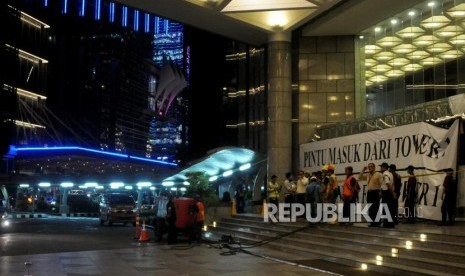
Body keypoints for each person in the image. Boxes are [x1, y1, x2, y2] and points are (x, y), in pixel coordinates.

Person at [359, 163, 383, 227]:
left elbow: (382, 184)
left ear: (374, 167)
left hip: (376, 192)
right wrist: (363, 170)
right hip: (369, 192)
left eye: (371, 166)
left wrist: (381, 192)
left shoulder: (378, 174)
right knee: (370, 207)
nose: (370, 168)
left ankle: (377, 222)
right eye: (369, 167)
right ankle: (372, 222)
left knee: (375, 207)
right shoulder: (368, 175)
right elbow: (360, 177)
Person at [380, 162, 395, 228]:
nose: (380, 168)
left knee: (385, 208)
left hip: (386, 192)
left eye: (381, 167)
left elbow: (387, 183)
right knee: (390, 208)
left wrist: (392, 192)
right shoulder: (390, 174)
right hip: (389, 192)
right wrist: (393, 192)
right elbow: (392, 184)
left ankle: (386, 223)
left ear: (384, 167)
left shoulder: (385, 174)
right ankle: (391, 223)